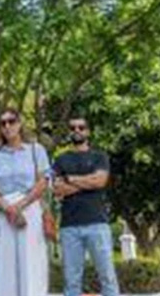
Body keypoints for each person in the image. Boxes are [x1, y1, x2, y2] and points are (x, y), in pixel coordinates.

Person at [51, 117, 118, 296]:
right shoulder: (60, 159)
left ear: (88, 131)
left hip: (98, 223)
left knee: (108, 277)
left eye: (81, 127)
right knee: (71, 281)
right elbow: (57, 190)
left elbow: (101, 181)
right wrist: (88, 181)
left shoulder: (99, 156)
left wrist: (70, 179)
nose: (77, 130)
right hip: (69, 226)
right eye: (73, 127)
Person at [0, 110, 50, 296]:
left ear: (19, 123)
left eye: (11, 121)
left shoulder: (35, 150)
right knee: (4, 265)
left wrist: (20, 206)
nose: (7, 126)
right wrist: (8, 209)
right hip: (3, 211)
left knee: (31, 262)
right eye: (3, 123)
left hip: (29, 208)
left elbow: (43, 182)